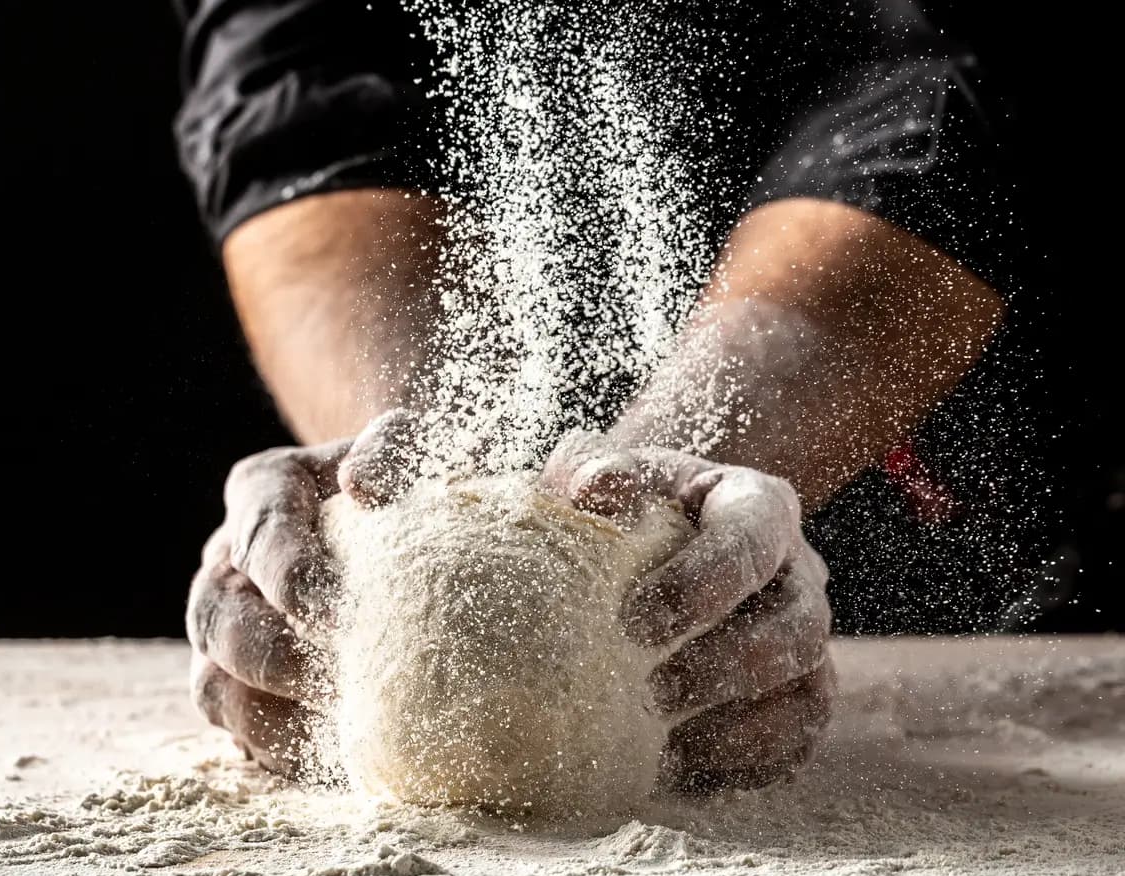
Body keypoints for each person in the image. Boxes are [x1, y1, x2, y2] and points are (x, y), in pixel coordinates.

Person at [171, 0, 1027, 789]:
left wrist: (675, 499)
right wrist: (401, 489)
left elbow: (955, 84)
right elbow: (299, 94)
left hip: (924, 486)